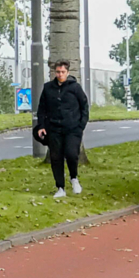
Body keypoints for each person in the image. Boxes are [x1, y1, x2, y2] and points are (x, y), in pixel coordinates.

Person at [36, 60, 89, 199]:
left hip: (72, 129)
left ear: (68, 72)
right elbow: (42, 109)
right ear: (54, 72)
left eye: (63, 72)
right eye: (58, 72)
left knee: (71, 154)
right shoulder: (48, 88)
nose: (60, 74)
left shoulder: (75, 88)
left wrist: (80, 126)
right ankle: (60, 187)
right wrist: (41, 126)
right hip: (54, 128)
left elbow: (84, 106)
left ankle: (74, 178)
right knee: (56, 158)